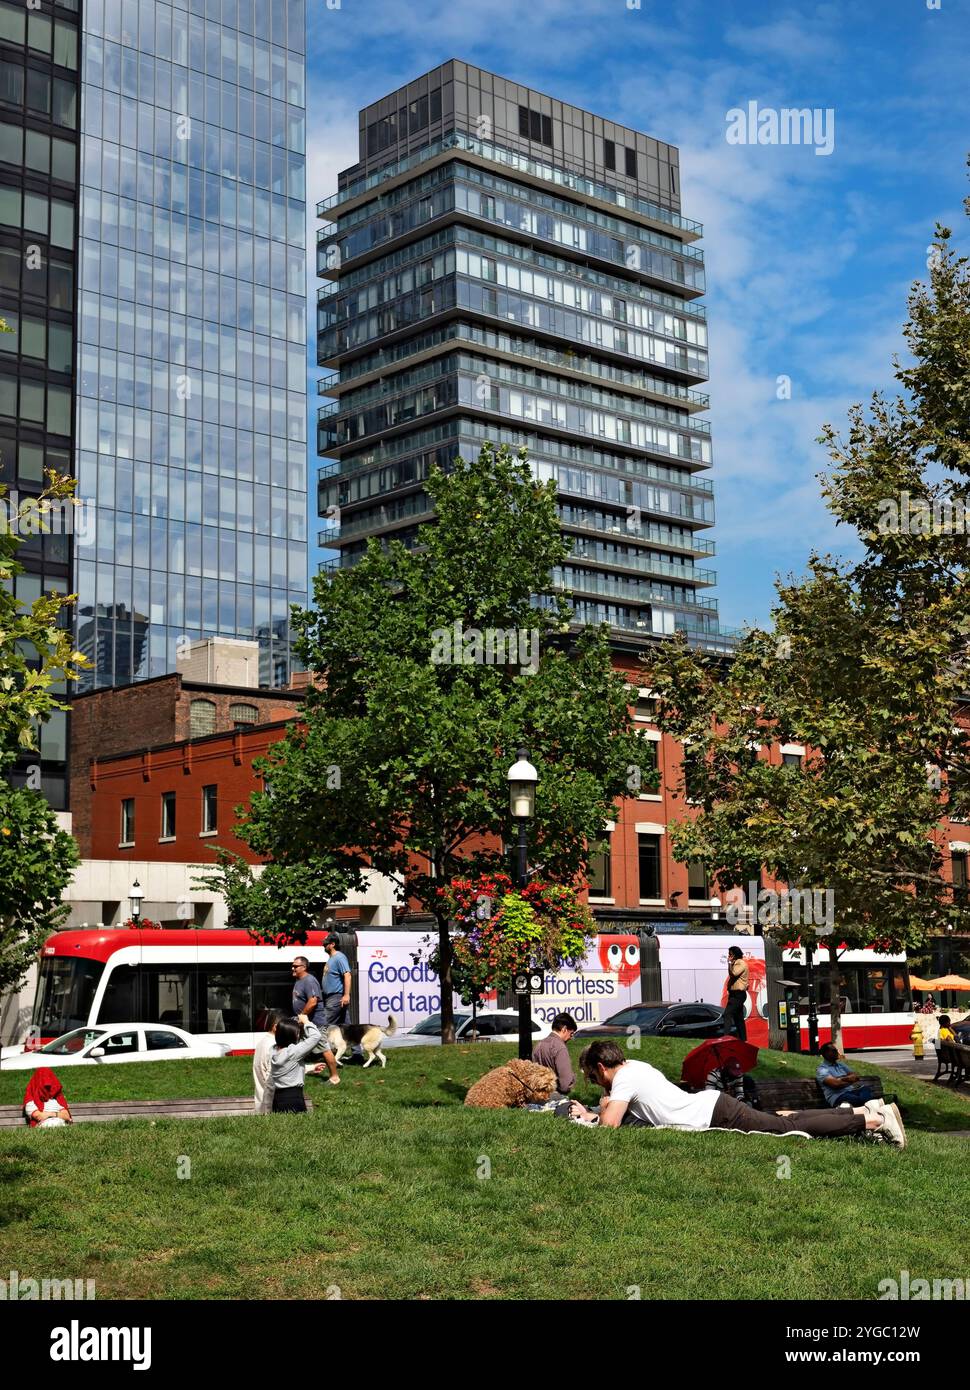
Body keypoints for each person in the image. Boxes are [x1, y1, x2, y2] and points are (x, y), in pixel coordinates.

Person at [568, 1041, 906, 1146]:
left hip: (714, 1112)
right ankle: (861, 1113)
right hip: (713, 1106)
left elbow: (610, 1128)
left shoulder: (623, 1078)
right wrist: (599, 1110)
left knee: (788, 1130)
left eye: (591, 1076)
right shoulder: (634, 1066)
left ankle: (873, 1121)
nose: (595, 1082)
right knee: (786, 1118)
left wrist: (592, 1116)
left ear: (601, 1067)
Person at [291, 955, 340, 1083]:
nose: (293, 968)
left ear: (304, 967)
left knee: (323, 1048)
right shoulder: (299, 981)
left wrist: (302, 1017)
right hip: (304, 1023)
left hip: (315, 1023)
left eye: (295, 966)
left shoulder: (309, 981)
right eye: (293, 965)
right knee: (298, 1049)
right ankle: (297, 1073)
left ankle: (334, 1077)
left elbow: (313, 1001)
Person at [270, 1014, 324, 1113]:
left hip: (277, 1099)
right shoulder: (293, 1052)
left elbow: (287, 1070)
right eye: (298, 1033)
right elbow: (316, 1036)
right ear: (291, 1035)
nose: (299, 1036)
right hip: (294, 1098)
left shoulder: (273, 1051)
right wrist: (306, 1021)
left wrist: (309, 1068)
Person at [815, 1043, 875, 1107]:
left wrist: (841, 1079)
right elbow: (836, 1085)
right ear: (826, 1053)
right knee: (860, 1100)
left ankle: (865, 1105)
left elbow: (856, 1076)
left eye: (836, 1050)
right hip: (838, 1096)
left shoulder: (841, 1065)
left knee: (865, 1089)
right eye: (834, 1050)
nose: (837, 1052)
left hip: (851, 1091)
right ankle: (868, 1105)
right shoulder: (822, 1070)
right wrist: (850, 1079)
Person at [533, 1013, 578, 1097]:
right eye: (571, 1034)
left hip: (537, 1095)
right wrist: (573, 1079)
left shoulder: (538, 1044)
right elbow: (565, 1085)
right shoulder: (560, 1047)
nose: (570, 1038)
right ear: (564, 1029)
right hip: (555, 1097)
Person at [321, 934, 353, 1030]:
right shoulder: (331, 958)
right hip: (333, 998)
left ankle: (320, 1045)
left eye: (326, 944)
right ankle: (355, 1045)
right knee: (347, 1029)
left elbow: (347, 975)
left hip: (335, 998)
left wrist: (346, 995)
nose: (323, 946)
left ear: (332, 944)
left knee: (323, 1025)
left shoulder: (339, 957)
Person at [252, 1009, 281, 1114]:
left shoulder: (262, 1042)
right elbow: (272, 1077)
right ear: (275, 1027)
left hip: (260, 1103)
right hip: (270, 1106)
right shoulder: (274, 1046)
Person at [722, 946, 749, 1041]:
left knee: (727, 1013)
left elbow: (734, 973)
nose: (729, 956)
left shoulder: (740, 963)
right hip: (734, 994)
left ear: (735, 954)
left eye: (730, 954)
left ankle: (725, 1037)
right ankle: (743, 1040)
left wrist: (729, 963)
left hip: (738, 994)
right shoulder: (735, 963)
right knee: (738, 1018)